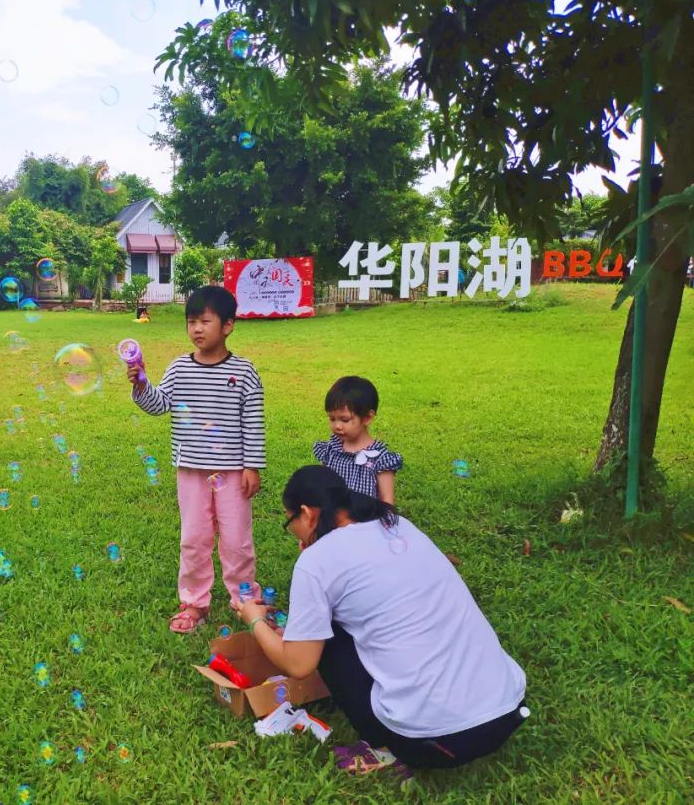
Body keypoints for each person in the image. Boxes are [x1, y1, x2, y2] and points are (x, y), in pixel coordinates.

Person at [235, 466, 527, 784]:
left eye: (289, 522)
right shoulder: (398, 525)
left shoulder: (316, 561)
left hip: (436, 742)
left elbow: (298, 664)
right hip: (506, 712)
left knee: (327, 638)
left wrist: (255, 620)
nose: (293, 532)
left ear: (306, 514)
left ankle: (384, 747)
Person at [129, 285, 266, 633]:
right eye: (191, 322)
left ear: (228, 325)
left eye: (205, 321)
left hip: (232, 472)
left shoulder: (245, 372)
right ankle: (193, 602)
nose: (197, 329)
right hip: (190, 471)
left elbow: (253, 422)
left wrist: (252, 466)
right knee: (194, 539)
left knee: (237, 541)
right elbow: (159, 404)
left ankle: (245, 600)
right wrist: (142, 385)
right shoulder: (179, 368)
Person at [313, 375, 402, 504]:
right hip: (333, 515)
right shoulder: (331, 450)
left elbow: (387, 501)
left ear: (367, 418)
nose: (337, 426)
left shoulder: (380, 459)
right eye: (332, 418)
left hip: (364, 516)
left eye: (345, 420)